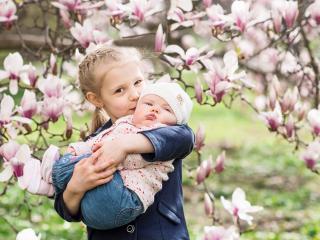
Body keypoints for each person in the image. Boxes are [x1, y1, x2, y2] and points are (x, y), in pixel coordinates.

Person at [53, 45, 195, 240]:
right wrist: (76, 187)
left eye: (138, 82)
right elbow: (66, 210)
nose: (135, 94)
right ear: (96, 99)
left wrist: (124, 144)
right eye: (120, 90)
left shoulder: (165, 124)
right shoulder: (97, 140)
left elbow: (184, 138)